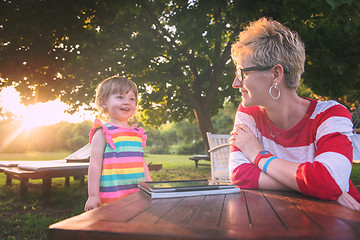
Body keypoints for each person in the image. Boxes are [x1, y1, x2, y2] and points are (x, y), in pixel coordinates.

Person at [228, 17, 360, 211]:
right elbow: (239, 174)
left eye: (243, 73)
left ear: (275, 74)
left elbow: (329, 181)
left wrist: (259, 156)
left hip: (343, 218)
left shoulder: (331, 115)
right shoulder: (248, 112)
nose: (236, 83)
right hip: (288, 216)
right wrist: (315, 186)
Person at [84, 76, 152, 211]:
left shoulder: (137, 134)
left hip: (136, 194)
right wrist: (92, 196)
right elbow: (95, 165)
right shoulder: (103, 132)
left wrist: (150, 186)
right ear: (103, 103)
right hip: (113, 196)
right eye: (120, 97)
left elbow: (141, 163)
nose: (127, 102)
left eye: (132, 99)